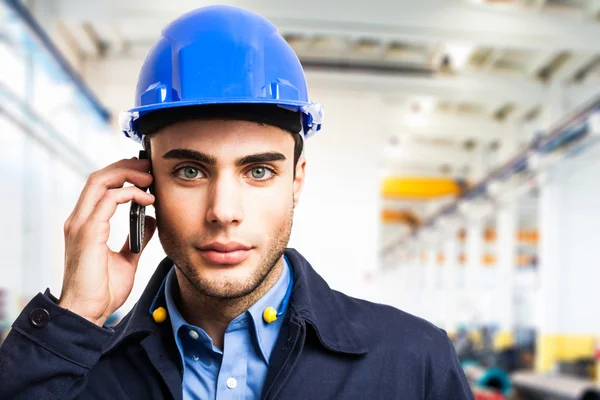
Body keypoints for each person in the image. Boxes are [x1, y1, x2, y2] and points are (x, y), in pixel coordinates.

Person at [0, 5, 473, 399]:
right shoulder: (79, 373)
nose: (224, 211)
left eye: (258, 171)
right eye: (190, 171)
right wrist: (75, 316)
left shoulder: (414, 365)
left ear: (296, 181)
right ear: (145, 186)